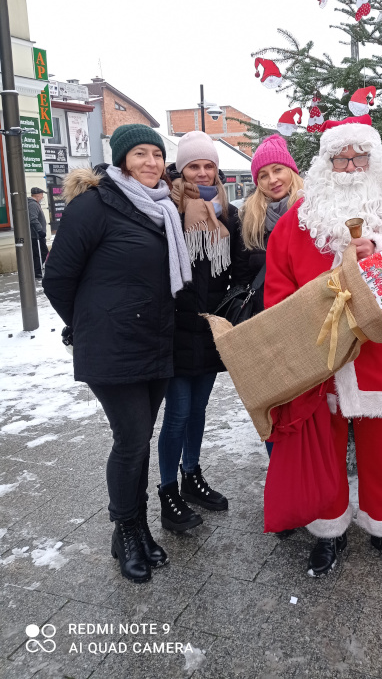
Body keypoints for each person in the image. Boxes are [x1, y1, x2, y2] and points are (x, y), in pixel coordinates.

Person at [264, 115, 382, 577]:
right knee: (324, 450)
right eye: (339, 159)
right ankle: (329, 531)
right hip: (321, 358)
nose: (349, 167)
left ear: (374, 160)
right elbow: (277, 289)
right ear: (324, 164)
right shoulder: (299, 218)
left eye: (358, 157)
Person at [43, 123, 190, 583]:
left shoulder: (161, 208)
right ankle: (126, 529)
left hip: (155, 342)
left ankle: (136, 525)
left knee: (139, 438)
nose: (151, 162)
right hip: (112, 346)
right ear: (122, 159)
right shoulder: (94, 205)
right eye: (140, 154)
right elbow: (57, 278)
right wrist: (90, 323)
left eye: (157, 154)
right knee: (130, 439)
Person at [157, 132, 250, 531]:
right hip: (176, 327)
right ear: (181, 169)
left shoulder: (228, 214)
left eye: (208, 165)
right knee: (177, 413)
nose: (201, 172)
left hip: (211, 326)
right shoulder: (167, 210)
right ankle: (168, 491)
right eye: (193, 165)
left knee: (198, 410)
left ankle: (191, 475)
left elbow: (240, 269)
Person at [239, 134, 303, 315]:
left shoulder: (311, 211)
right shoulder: (250, 219)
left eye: (278, 170)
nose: (272, 180)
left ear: (290, 171)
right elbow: (241, 276)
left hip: (307, 314)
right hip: (265, 316)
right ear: (258, 182)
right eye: (264, 175)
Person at [28, 187, 48, 279]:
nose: (42, 197)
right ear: (38, 195)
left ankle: (37, 271)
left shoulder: (34, 204)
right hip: (36, 235)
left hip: (37, 235)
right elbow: (33, 218)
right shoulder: (33, 204)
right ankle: (37, 272)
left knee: (39, 253)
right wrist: (40, 230)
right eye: (42, 195)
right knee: (42, 253)